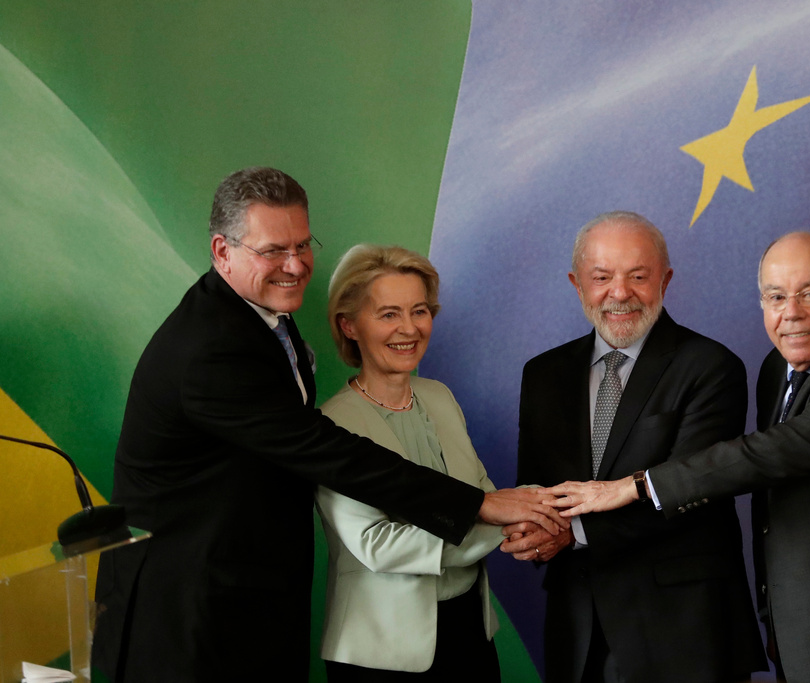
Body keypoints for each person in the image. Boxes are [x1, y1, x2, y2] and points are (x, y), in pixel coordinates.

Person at [91, 167, 560, 683]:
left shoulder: (264, 315)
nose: (294, 266)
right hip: (190, 612)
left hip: (249, 596)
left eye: (302, 244)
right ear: (222, 251)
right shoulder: (211, 349)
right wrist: (482, 508)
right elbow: (328, 452)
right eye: (272, 250)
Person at [544, 232, 810, 683]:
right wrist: (777, 619)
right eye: (776, 296)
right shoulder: (777, 367)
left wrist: (636, 484)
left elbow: (765, 456)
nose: (792, 313)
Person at [503, 212, 766, 683]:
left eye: (638, 276)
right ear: (576, 284)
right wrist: (534, 530)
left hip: (681, 633)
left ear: (665, 279)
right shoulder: (543, 375)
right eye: (601, 277)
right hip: (578, 628)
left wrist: (572, 532)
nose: (620, 293)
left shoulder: (711, 366)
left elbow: (690, 492)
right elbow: (537, 486)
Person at [314, 244, 504, 682]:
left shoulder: (440, 396)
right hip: (380, 652)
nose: (409, 328)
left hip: (470, 633)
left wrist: (502, 512)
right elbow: (377, 544)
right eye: (388, 314)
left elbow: (482, 490)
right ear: (349, 325)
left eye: (419, 311)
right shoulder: (332, 423)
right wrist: (501, 528)